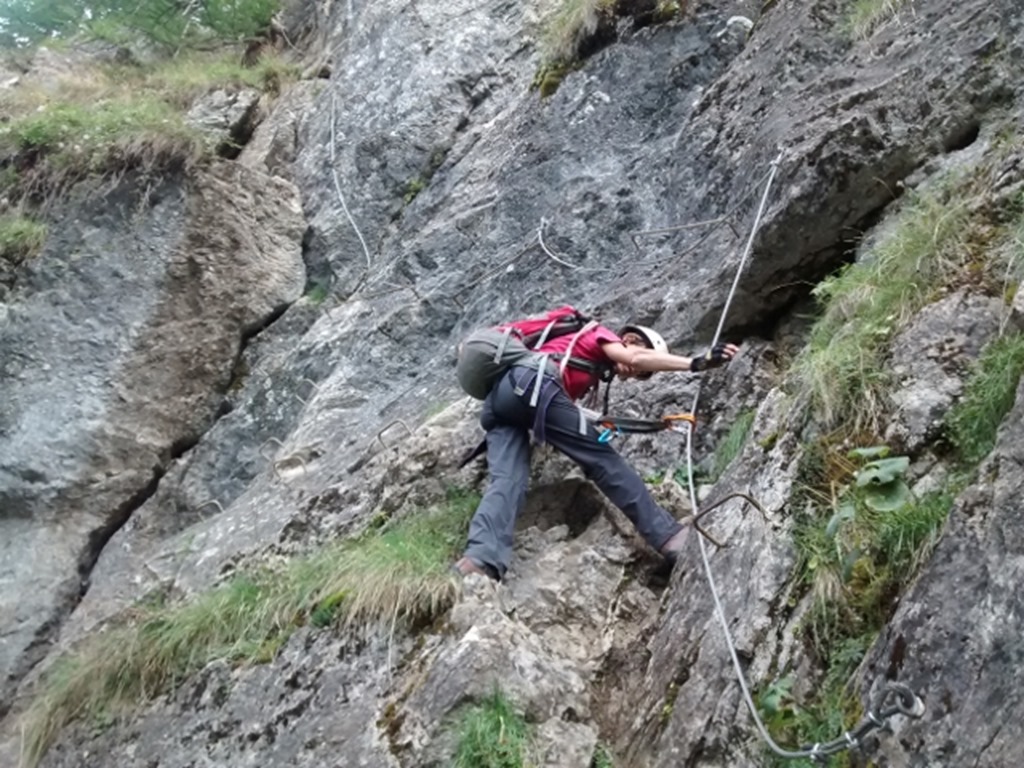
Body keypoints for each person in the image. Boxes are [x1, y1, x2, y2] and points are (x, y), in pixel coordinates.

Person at [454, 321, 740, 580]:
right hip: (533, 383)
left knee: (507, 481)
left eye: (642, 376)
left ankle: (479, 560)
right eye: (642, 371)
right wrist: (697, 362)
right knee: (604, 461)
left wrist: (654, 425)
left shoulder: (573, 360)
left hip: (500, 402)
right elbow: (634, 356)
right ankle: (670, 537)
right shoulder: (597, 332)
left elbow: (570, 413)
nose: (634, 374)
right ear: (629, 339)